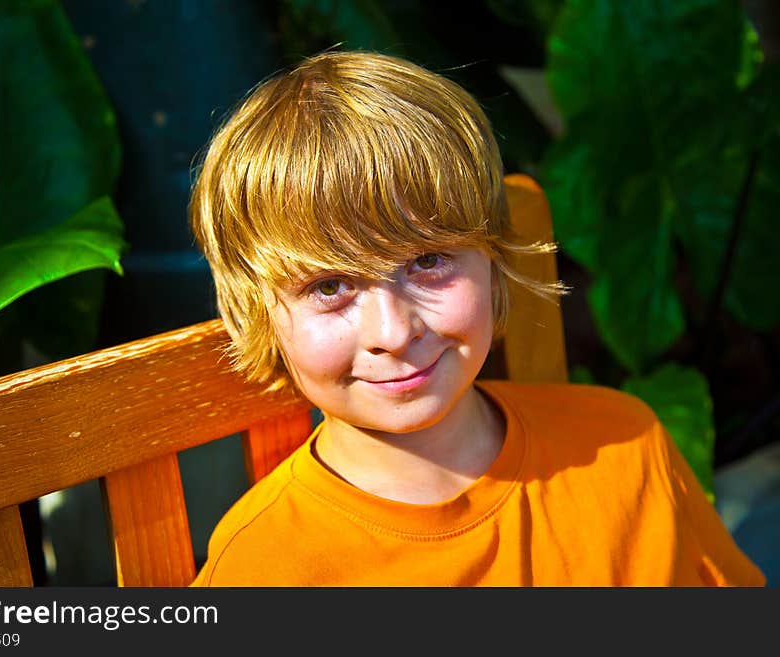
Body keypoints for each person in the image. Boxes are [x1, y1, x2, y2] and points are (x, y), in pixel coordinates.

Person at [186, 50, 765, 586]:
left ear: (493, 259)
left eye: (428, 260)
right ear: (254, 313)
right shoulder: (262, 570)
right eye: (330, 286)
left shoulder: (625, 448)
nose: (393, 332)